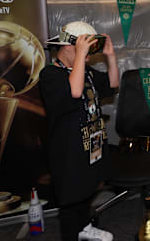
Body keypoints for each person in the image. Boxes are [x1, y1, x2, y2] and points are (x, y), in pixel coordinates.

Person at [39, 21, 119, 241]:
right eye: (84, 50)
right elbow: (74, 91)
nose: (88, 57)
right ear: (67, 47)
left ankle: (83, 227)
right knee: (71, 198)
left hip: (90, 144)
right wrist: (81, 57)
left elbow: (113, 83)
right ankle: (73, 234)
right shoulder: (50, 75)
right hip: (68, 152)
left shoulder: (86, 71)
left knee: (86, 190)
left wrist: (110, 56)